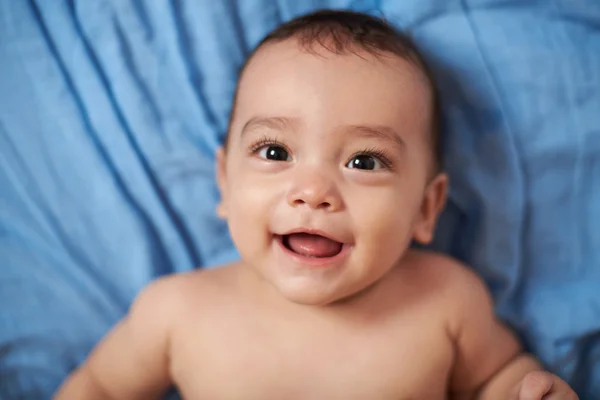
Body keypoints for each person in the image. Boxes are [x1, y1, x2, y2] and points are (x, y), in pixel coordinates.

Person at [54, 9, 578, 400]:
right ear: (224, 183)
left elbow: (498, 374)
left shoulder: (445, 300)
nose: (313, 191)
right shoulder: (175, 312)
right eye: (275, 151)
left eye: (365, 162)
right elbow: (98, 386)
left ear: (425, 207)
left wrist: (525, 388)